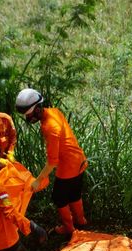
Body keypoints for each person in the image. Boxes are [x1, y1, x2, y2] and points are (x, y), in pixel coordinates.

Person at [15, 88, 88, 234]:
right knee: (74, 194)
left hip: (67, 166)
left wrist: (38, 180)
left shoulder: (50, 127)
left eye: (28, 115)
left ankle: (69, 229)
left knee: (59, 198)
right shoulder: (54, 111)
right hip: (78, 160)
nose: (28, 119)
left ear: (37, 109)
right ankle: (81, 221)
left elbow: (52, 162)